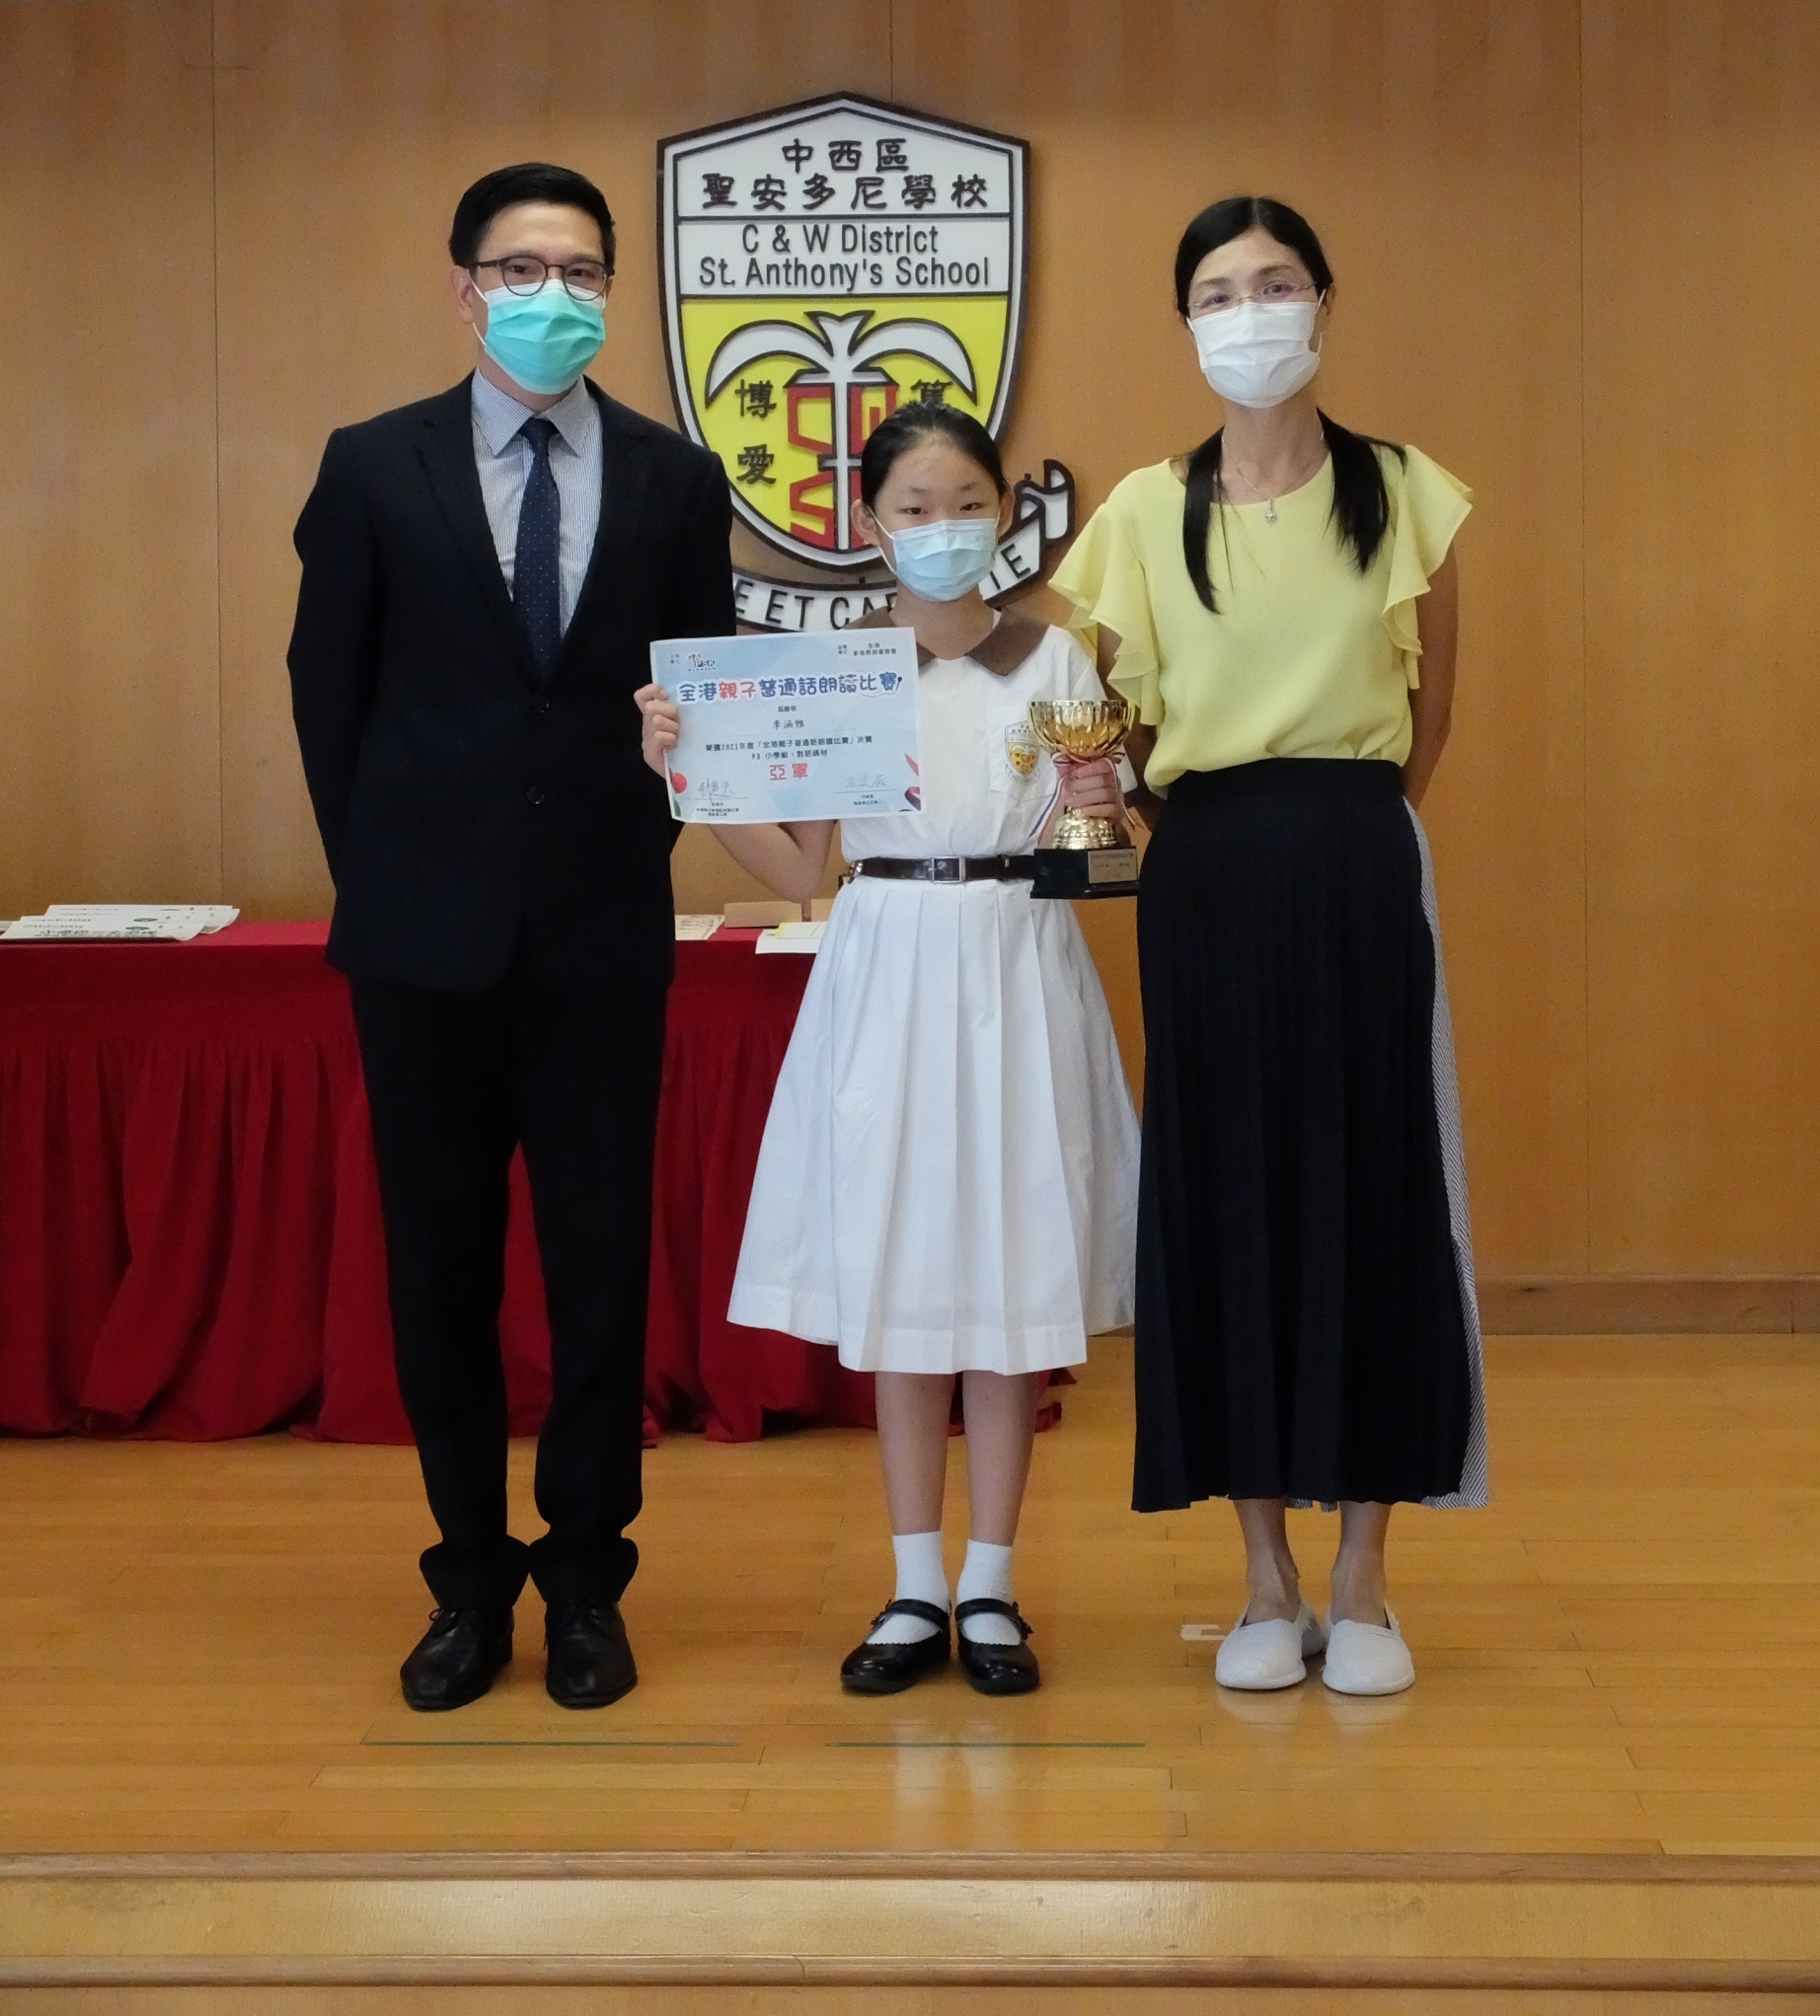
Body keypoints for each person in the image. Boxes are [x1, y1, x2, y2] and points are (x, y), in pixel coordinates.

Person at [288, 160, 734, 1714]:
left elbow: (698, 706)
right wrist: (394, 879)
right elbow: (327, 700)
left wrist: (623, 853)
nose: (554, 295)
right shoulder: (371, 466)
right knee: (441, 1274)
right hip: (421, 946)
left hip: (603, 937)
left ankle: (589, 1579)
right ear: (464, 287)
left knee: (602, 1271)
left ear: (612, 290)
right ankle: (468, 1581)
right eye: (521, 268)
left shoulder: (677, 479)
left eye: (582, 271)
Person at [637, 400, 1140, 1697]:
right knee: (908, 1280)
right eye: (914, 508)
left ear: (1004, 514)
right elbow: (798, 867)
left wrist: (1096, 813)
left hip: (1018, 960)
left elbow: (1102, 867)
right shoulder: (842, 672)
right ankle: (916, 1583)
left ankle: (992, 1585)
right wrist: (692, 775)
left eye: (966, 504)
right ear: (871, 524)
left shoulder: (1059, 661)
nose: (941, 528)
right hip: (887, 967)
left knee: (1009, 1285)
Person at [1053, 195, 1484, 1700]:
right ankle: (1261, 1575)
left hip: (1359, 855)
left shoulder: (1405, 491)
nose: (1251, 313)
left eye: (1276, 282)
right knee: (1224, 1189)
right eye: (1220, 292)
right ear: (1187, 324)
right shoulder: (1139, 512)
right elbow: (1109, 735)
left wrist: (1338, 830)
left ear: (1324, 301)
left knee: (1375, 1188)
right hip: (1208, 872)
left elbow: (1430, 720)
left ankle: (1363, 1573)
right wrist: (1193, 825)